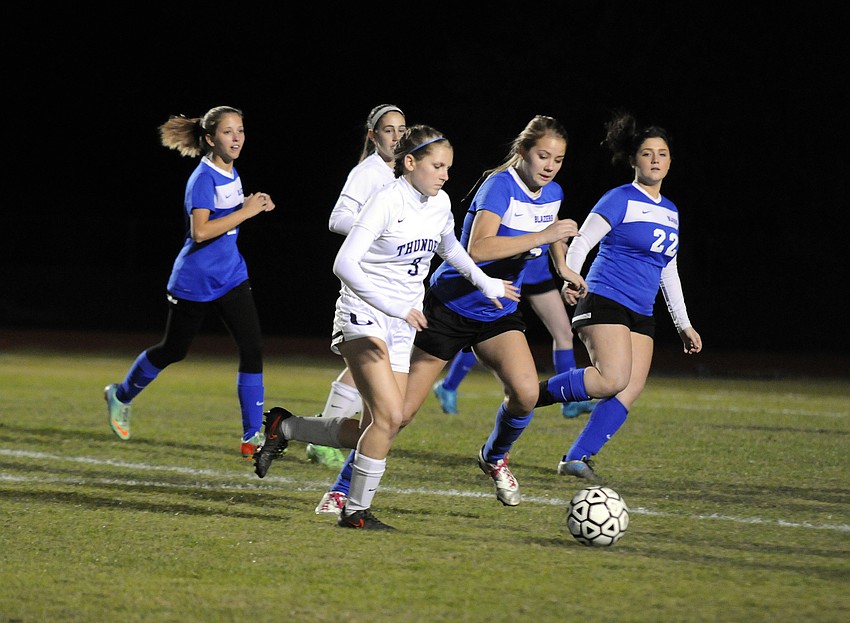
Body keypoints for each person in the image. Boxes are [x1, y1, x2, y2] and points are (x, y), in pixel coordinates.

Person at [311, 114, 587, 515]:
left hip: (496, 309)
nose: (550, 166)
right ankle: (340, 489)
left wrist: (563, 268)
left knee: (526, 394)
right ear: (522, 151)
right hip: (450, 308)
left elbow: (551, 234)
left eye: (558, 160)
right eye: (543, 156)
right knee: (397, 415)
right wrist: (546, 237)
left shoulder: (552, 192)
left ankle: (493, 457)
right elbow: (478, 248)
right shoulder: (498, 187)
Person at [253, 125, 519, 530]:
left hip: (401, 324)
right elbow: (343, 264)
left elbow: (450, 248)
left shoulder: (440, 202)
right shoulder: (386, 200)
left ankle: (284, 426)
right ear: (410, 163)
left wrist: (486, 283)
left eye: (448, 166)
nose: (445, 174)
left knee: (375, 425)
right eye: (437, 166)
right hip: (364, 314)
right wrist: (393, 304)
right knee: (390, 417)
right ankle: (355, 512)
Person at [535, 110, 702, 482]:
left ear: (670, 161)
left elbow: (667, 270)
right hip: (605, 299)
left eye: (662, 154)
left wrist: (684, 324)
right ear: (633, 160)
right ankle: (530, 395)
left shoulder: (672, 212)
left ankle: (577, 458)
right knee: (611, 378)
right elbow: (581, 243)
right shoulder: (620, 198)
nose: (655, 159)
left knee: (628, 389)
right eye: (647, 153)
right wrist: (570, 278)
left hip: (641, 311)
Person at [103, 106, 276, 459]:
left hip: (231, 276)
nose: (237, 137)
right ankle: (120, 395)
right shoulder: (203, 177)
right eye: (228, 132)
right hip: (195, 280)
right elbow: (200, 231)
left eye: (240, 130)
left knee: (253, 347)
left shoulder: (231, 171)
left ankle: (250, 436)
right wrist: (247, 211)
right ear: (210, 138)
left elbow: (225, 214)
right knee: (173, 350)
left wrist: (251, 202)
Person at [305, 104, 407, 473]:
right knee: (373, 358)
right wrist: (377, 232)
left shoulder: (398, 173)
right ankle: (323, 438)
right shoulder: (368, 172)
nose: (396, 137)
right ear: (372, 135)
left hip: (393, 283)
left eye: (402, 129)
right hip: (370, 282)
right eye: (388, 130)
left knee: (373, 361)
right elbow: (338, 219)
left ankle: (328, 436)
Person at [432, 250, 596, 418]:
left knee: (563, 332)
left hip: (536, 273)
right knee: (485, 331)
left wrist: (560, 251)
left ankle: (569, 402)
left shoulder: (551, 224)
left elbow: (553, 233)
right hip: (505, 274)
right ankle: (448, 387)